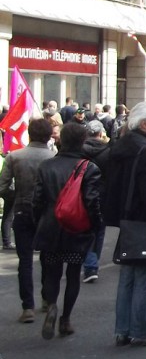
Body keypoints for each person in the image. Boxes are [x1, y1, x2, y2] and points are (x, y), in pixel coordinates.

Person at [102, 102, 146, 347]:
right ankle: (141, 331)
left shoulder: (123, 145)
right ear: (144, 124)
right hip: (144, 220)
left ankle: (122, 330)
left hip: (127, 217)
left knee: (127, 277)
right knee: (143, 278)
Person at [32, 123, 103, 338]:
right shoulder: (88, 167)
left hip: (51, 225)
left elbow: (37, 200)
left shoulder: (46, 166)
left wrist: (39, 222)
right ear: (82, 141)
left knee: (52, 272)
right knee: (73, 274)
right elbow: (91, 201)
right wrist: (95, 224)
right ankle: (66, 319)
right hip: (77, 226)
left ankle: (51, 304)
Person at [0, 118, 55, 323]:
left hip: (22, 210)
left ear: (29, 133)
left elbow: (3, 186)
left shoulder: (15, 156)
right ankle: (47, 299)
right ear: (49, 135)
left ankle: (27, 307)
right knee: (47, 257)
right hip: (46, 213)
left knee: (25, 260)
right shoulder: (53, 157)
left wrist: (15, 197)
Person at [80, 120, 109, 283]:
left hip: (81, 194)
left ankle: (90, 263)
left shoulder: (79, 151)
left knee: (86, 230)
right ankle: (92, 262)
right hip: (102, 196)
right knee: (99, 230)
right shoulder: (108, 151)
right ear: (101, 133)